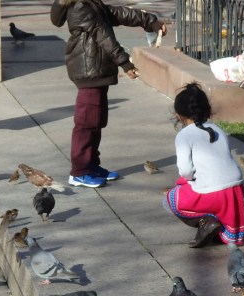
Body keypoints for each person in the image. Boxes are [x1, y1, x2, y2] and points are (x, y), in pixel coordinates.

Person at [51, 0, 167, 188]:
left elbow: (118, 13)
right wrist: (125, 63)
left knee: (96, 121)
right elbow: (103, 36)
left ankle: (91, 165)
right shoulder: (81, 7)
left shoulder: (91, 3)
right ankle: (79, 171)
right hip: (89, 70)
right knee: (86, 123)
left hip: (97, 69)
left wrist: (149, 21)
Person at [164, 82, 244, 247]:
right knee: (209, 190)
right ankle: (220, 228)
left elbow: (185, 170)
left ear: (179, 115)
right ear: (207, 110)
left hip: (212, 195)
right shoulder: (217, 129)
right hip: (235, 191)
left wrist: (190, 179)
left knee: (170, 199)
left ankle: (205, 222)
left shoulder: (184, 135)